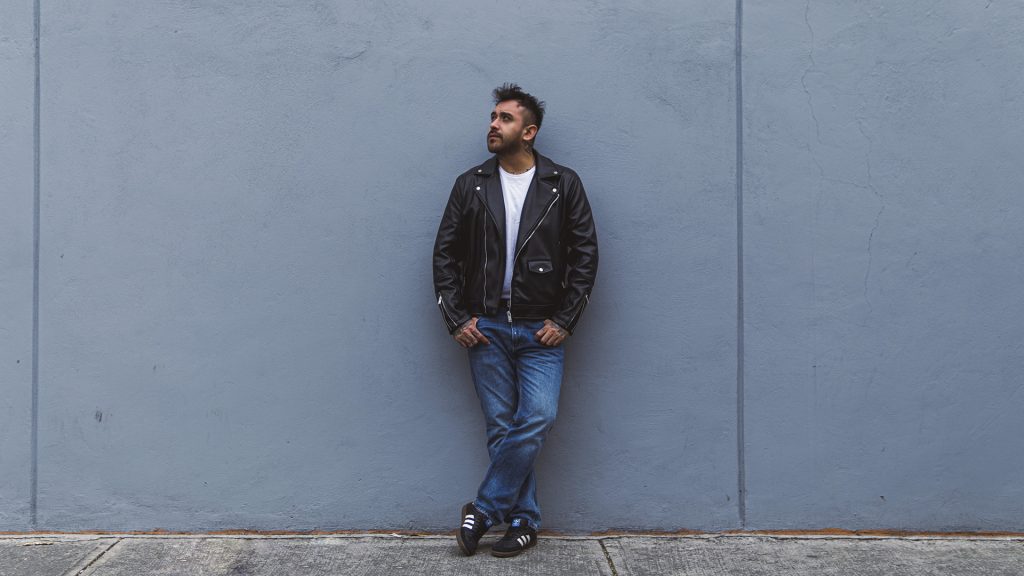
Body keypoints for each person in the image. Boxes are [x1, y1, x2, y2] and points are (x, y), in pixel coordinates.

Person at [432, 83, 598, 557]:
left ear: (529, 132)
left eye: (504, 118)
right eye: (493, 116)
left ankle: (484, 509)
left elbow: (585, 256)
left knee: (538, 416)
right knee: (501, 426)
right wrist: (457, 319)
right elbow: (444, 255)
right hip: (485, 328)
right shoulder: (471, 184)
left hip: (540, 329)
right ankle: (524, 521)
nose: (493, 124)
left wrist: (565, 319)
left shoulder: (562, 184)